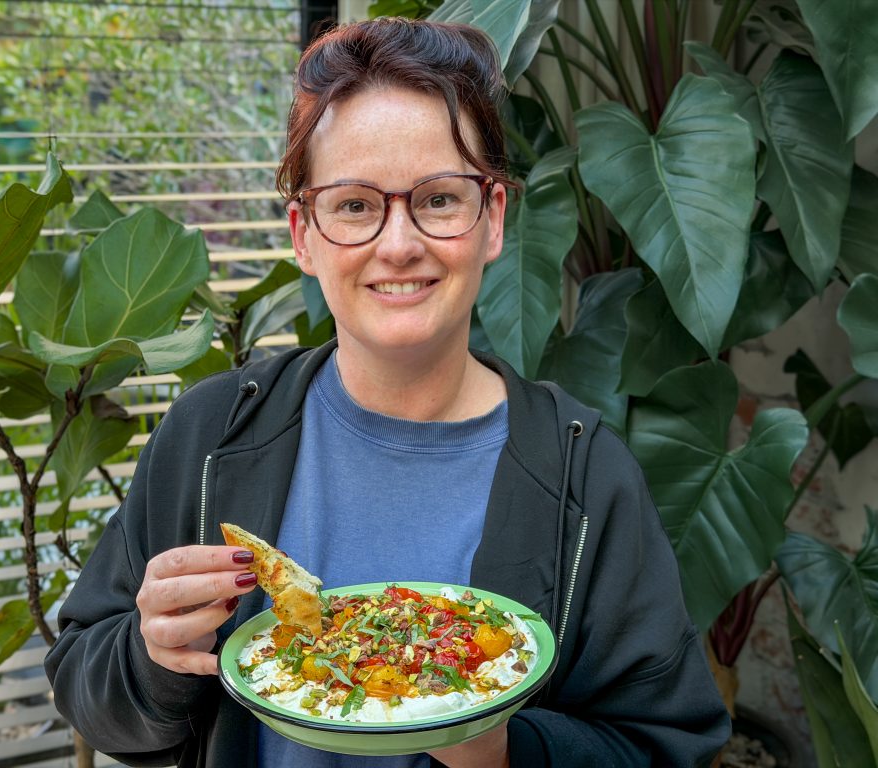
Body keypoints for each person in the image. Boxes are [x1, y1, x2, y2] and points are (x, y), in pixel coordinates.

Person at [45, 17, 731, 768]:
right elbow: (87, 688)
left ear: (492, 221)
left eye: (438, 199)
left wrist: (502, 750)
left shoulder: (584, 475)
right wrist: (152, 659)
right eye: (354, 205)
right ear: (303, 234)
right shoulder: (211, 436)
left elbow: (669, 747)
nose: (399, 244)